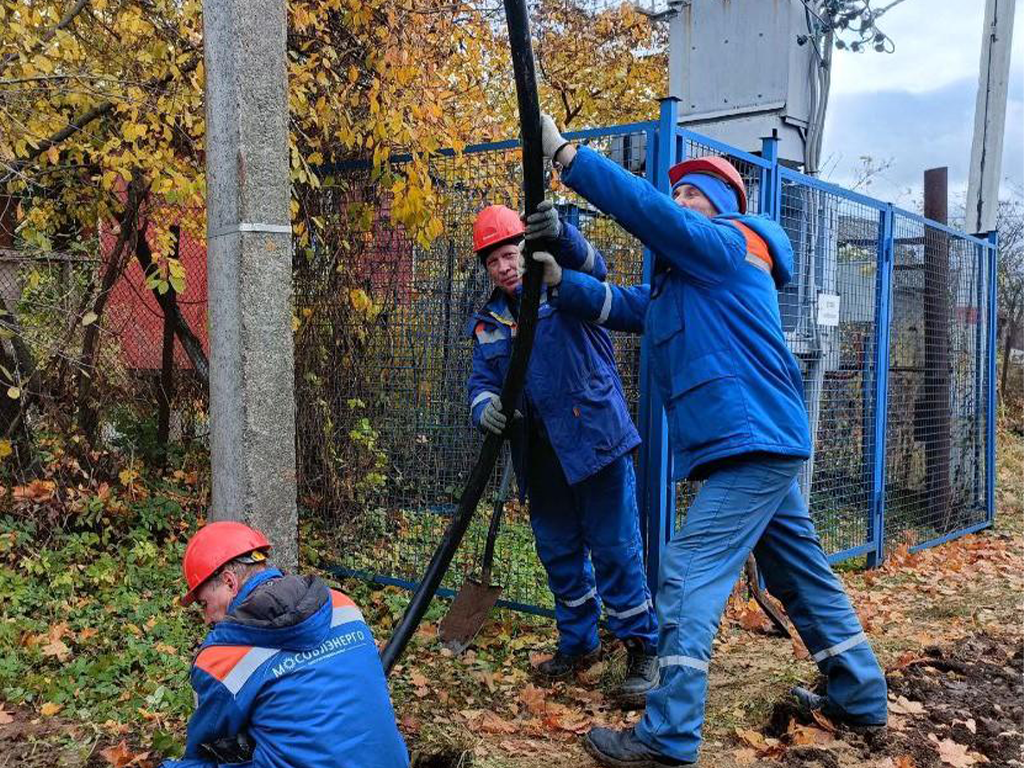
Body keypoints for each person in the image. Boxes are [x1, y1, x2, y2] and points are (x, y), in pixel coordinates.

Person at [530, 115, 888, 767]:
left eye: (694, 195)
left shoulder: (729, 246)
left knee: (689, 572)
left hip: (751, 439)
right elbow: (620, 304)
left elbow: (652, 217)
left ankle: (667, 736)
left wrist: (569, 156)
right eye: (681, 196)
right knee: (798, 573)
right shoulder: (686, 286)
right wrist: (559, 282)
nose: (682, 204)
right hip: (761, 439)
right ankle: (860, 694)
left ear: (720, 209)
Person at [467, 201, 659, 704]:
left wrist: (564, 234)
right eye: (493, 261)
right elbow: (481, 382)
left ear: (527, 250)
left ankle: (642, 648)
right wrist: (484, 407)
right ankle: (579, 644)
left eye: (510, 254)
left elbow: (593, 265)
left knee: (616, 548)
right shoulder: (489, 322)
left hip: (595, 439)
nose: (505, 267)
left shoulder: (564, 286)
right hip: (540, 454)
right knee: (559, 553)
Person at [160, 521, 409, 768]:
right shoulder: (343, 605)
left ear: (229, 582)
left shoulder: (222, 659)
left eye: (204, 604)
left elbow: (204, 747)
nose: (207, 618)